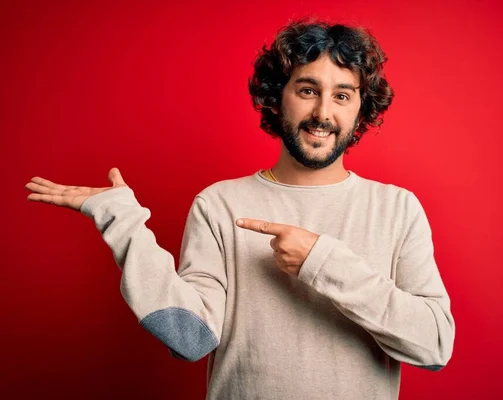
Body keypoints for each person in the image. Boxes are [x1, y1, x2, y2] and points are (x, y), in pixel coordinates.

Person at [25, 19, 455, 399]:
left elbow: (434, 345)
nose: (323, 113)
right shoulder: (219, 204)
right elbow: (190, 337)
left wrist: (322, 262)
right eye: (307, 90)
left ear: (361, 109)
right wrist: (123, 223)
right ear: (276, 98)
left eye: (342, 96)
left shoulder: (398, 209)